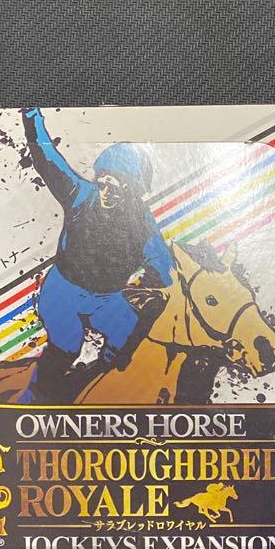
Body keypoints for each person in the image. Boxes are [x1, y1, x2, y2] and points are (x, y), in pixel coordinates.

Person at [20, 107, 177, 402]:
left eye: (118, 188)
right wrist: (32, 119)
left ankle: (90, 383)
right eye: (103, 182)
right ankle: (32, 398)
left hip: (107, 298)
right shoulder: (79, 194)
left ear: (133, 192)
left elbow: (164, 266)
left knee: (127, 337)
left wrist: (154, 279)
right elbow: (48, 159)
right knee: (68, 345)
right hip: (63, 292)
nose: (107, 192)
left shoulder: (141, 221)